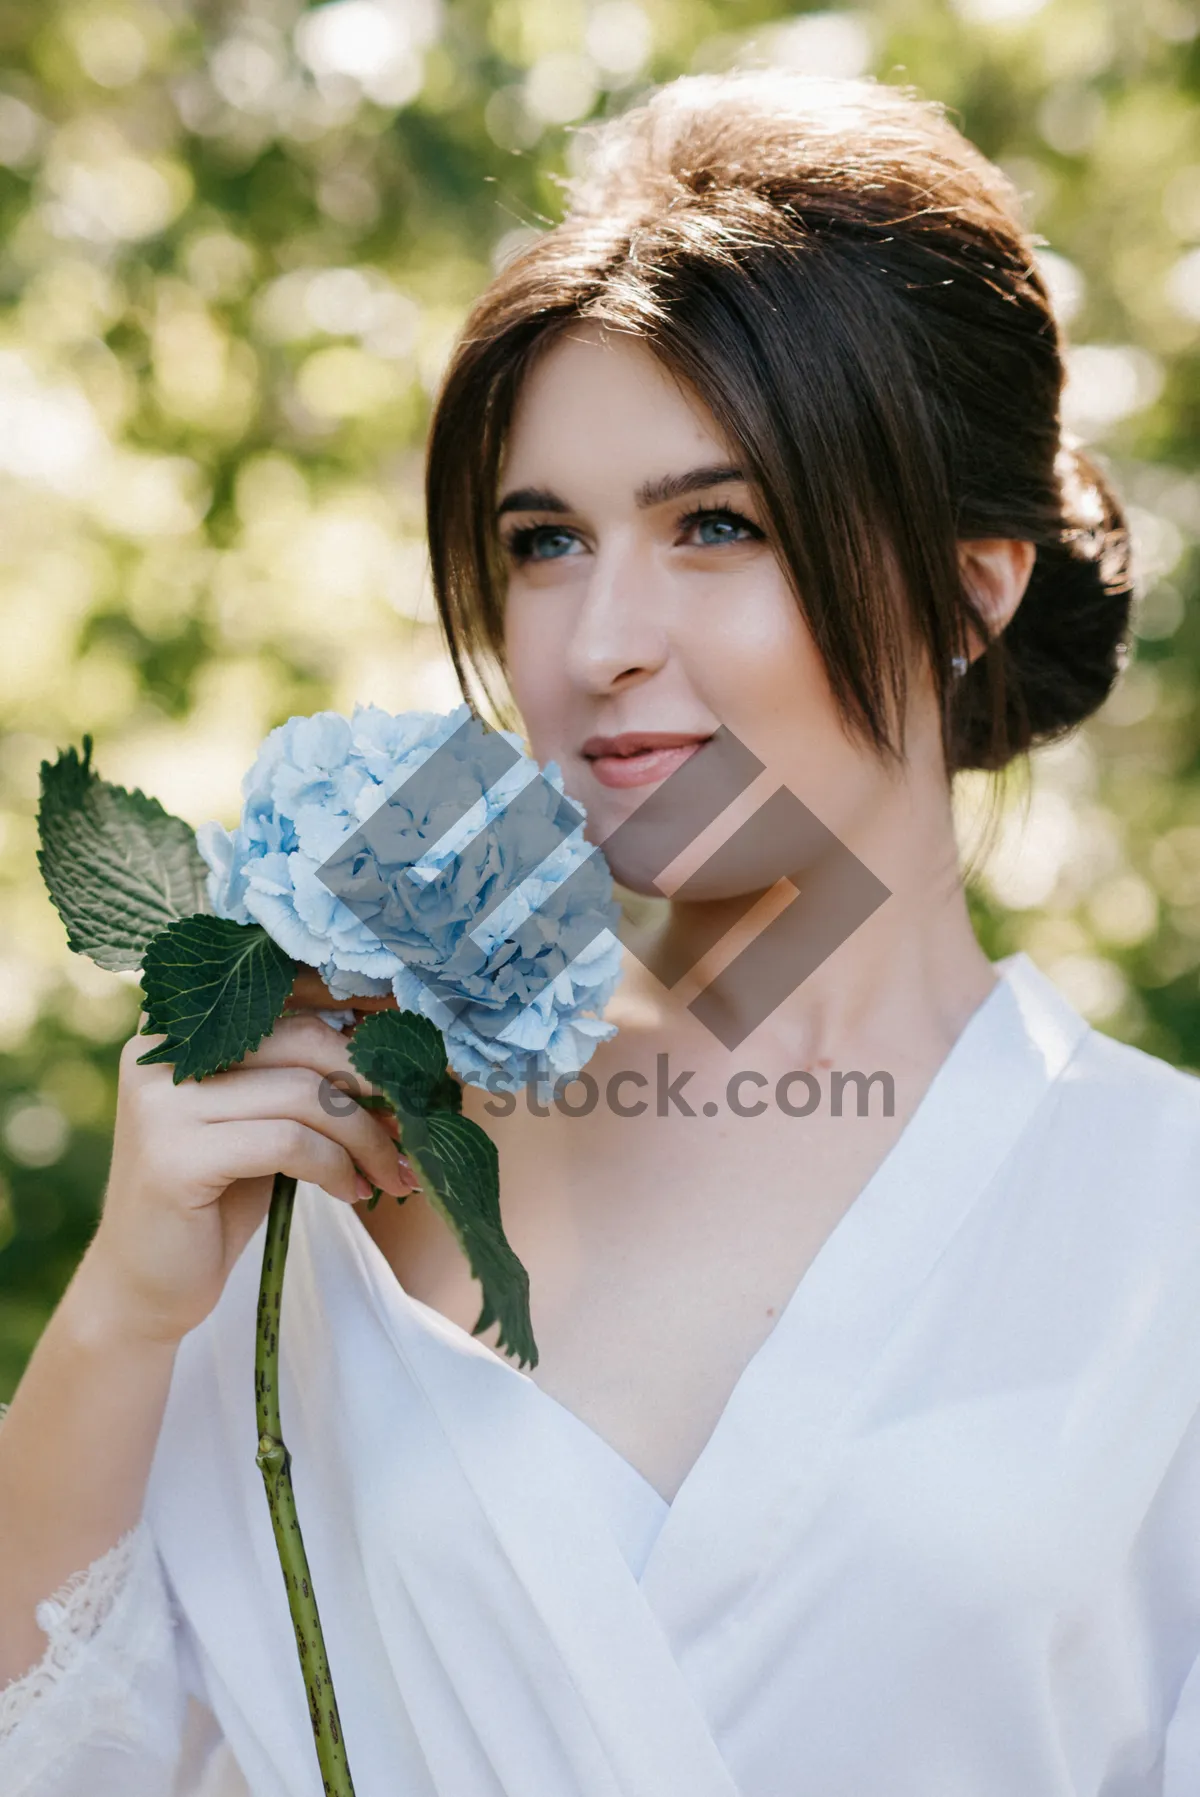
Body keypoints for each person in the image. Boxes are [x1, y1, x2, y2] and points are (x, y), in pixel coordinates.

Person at [2, 65, 1198, 1797]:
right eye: (545, 541)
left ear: (971, 586)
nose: (602, 637)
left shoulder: (1159, 1216)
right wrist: (123, 1309)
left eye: (719, 524)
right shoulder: (350, 1141)